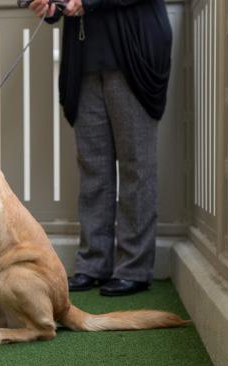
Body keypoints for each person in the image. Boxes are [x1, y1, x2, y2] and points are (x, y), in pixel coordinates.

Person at [27, 0, 173, 295]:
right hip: (84, 61)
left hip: (134, 56)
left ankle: (134, 268)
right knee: (93, 169)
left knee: (137, 166)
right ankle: (93, 264)